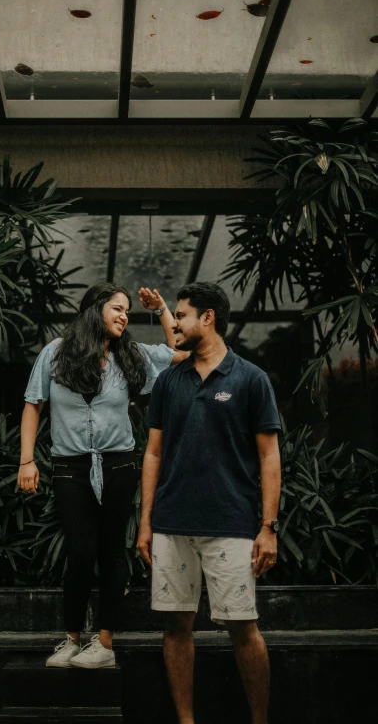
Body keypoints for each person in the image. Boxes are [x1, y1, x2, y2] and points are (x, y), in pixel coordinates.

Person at [18, 282, 188, 669]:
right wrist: (27, 461)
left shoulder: (131, 354)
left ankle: (105, 643)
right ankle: (72, 639)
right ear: (94, 309)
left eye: (127, 310)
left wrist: (162, 310)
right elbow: (33, 405)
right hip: (69, 467)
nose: (124, 315)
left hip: (119, 464)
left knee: (112, 551)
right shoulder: (56, 353)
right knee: (80, 552)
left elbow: (180, 352)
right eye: (117, 308)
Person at [137, 282, 281, 724]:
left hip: (232, 524)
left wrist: (268, 527)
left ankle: (259, 720)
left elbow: (269, 456)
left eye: (180, 315)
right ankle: (186, 721)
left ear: (208, 318)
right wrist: (145, 522)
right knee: (176, 627)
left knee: (242, 627)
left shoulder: (250, 378)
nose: (174, 323)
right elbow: (154, 453)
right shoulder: (168, 381)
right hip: (172, 524)